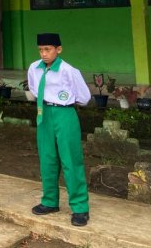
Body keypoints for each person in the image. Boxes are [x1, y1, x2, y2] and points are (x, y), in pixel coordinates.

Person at [28, 33, 91, 227]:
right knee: (47, 158)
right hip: (44, 113)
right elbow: (34, 89)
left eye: (48, 49)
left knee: (71, 159)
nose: (43, 54)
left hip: (65, 114)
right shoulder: (34, 68)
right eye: (40, 50)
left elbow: (84, 97)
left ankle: (80, 207)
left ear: (59, 49)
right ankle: (49, 201)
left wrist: (64, 102)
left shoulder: (69, 71)